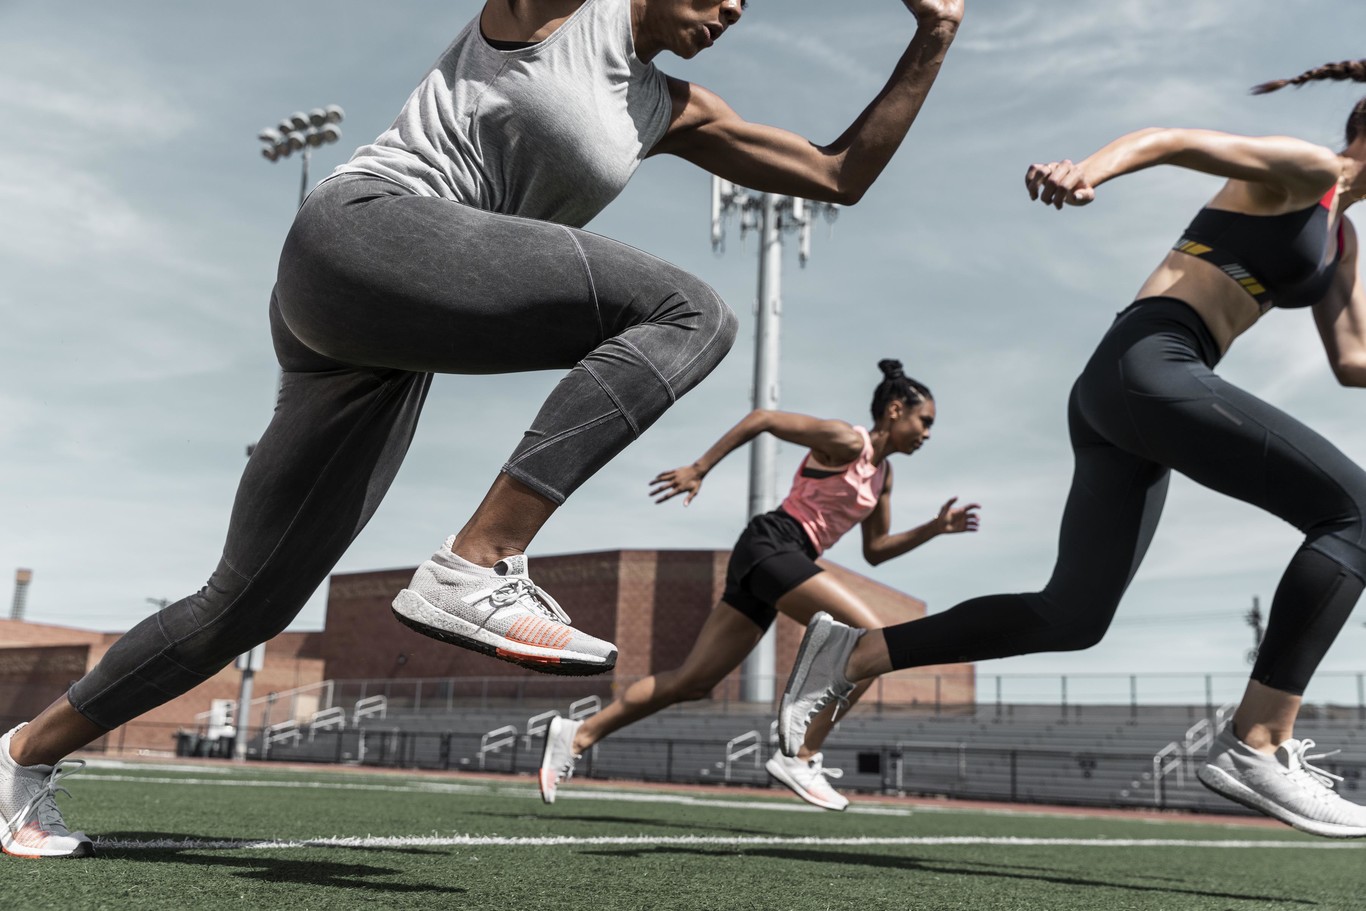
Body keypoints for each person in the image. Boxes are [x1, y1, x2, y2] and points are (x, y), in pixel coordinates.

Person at [1, 0, 966, 859]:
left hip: (382, 340)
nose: (735, 10)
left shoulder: (676, 108)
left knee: (246, 602)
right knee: (693, 315)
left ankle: (20, 758)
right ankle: (478, 561)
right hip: (363, 235)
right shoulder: (557, 11)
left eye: (747, 3)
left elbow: (839, 174)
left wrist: (932, 35)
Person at [778, 60, 1366, 837]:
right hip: (1149, 361)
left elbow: (1353, 358)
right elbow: (1170, 139)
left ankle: (853, 656)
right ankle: (1257, 739)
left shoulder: (1342, 240)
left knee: (1073, 614)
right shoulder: (1310, 171)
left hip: (1135, 392)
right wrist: (1087, 171)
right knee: (1356, 513)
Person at [538, 360, 980, 809]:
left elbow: (877, 550)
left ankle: (578, 733)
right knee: (872, 642)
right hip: (774, 543)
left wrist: (935, 528)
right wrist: (700, 467)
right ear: (895, 409)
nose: (927, 433)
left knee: (693, 682)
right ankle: (803, 755)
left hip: (782, 560)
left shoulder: (884, 477)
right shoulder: (847, 441)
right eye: (924, 421)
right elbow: (763, 419)